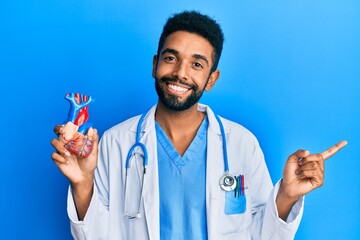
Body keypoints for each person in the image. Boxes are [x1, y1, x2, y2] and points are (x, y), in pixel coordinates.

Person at [51, 11, 347, 239]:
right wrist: (82, 183)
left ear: (211, 79)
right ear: (155, 65)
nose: (180, 73)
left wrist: (287, 195)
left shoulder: (240, 143)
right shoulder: (117, 142)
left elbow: (262, 235)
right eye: (171, 58)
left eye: (196, 64)